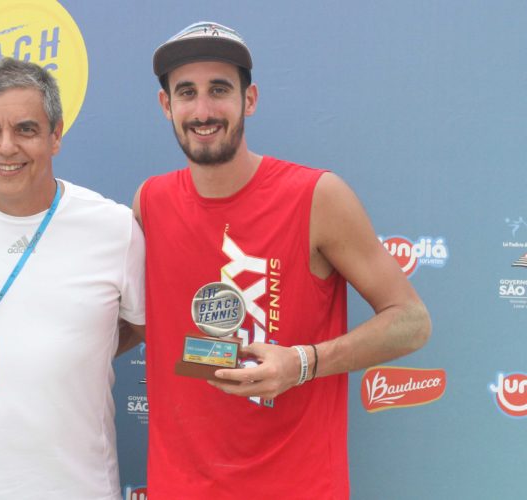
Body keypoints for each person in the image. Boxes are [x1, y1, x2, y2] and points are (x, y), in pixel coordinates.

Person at [136, 22, 432, 498]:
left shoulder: (317, 197)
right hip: (180, 487)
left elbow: (412, 322)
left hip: (298, 486)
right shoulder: (150, 202)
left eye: (219, 90)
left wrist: (303, 362)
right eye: (187, 92)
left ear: (249, 99)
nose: (203, 110)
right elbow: (133, 321)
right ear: (166, 105)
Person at [0, 58, 146, 499]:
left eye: (25, 129)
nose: (6, 148)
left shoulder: (115, 228)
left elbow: (147, 329)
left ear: (55, 135)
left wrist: (82, 351)